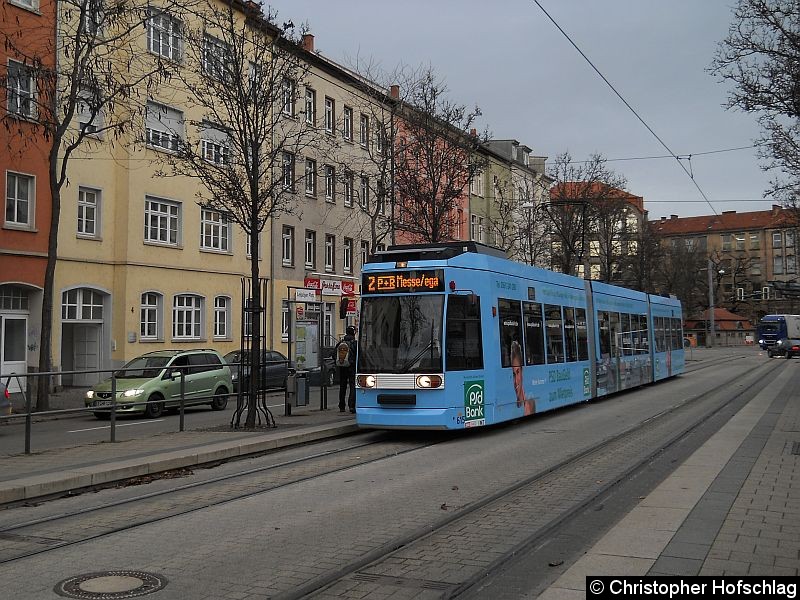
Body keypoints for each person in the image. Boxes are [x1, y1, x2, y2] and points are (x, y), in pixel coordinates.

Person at [511, 340, 536, 416]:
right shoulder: (515, 409)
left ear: (522, 371)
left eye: (518, 372)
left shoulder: (530, 403)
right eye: (513, 374)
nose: (515, 381)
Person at [336, 326, 358, 413]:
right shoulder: (354, 343)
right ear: (353, 333)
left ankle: (341, 406)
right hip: (352, 367)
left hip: (342, 367)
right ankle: (351, 406)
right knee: (353, 386)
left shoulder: (341, 342)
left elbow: (334, 354)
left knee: (342, 386)